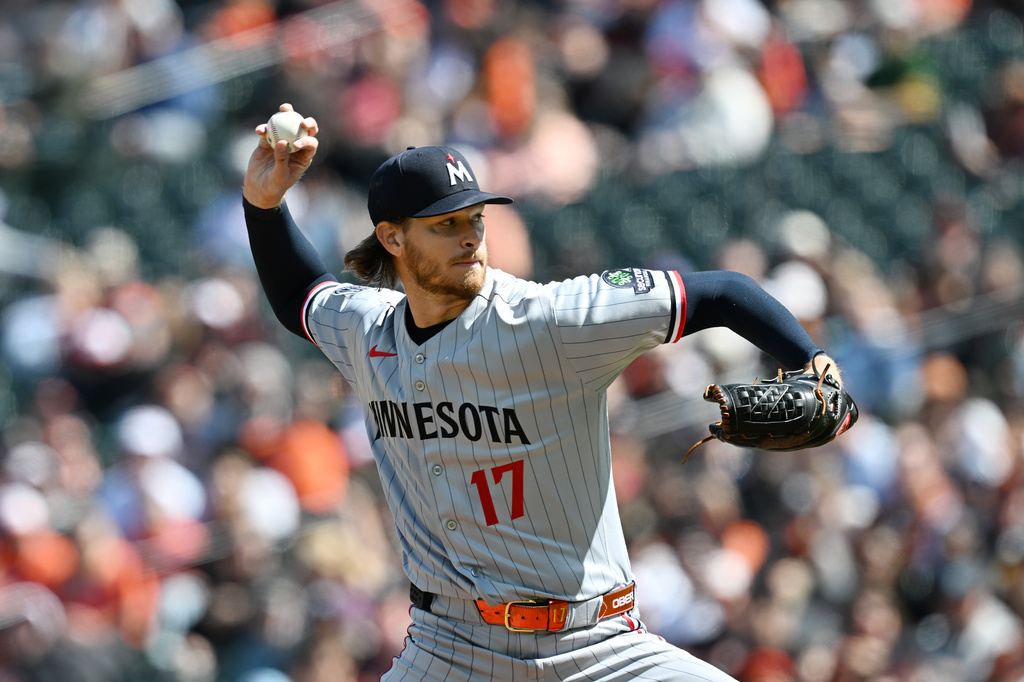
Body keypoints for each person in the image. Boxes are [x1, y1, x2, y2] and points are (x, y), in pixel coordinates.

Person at [242, 103, 844, 681]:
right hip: (448, 648)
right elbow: (302, 298)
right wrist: (263, 206)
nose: (470, 237)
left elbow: (720, 292)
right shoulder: (368, 329)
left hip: (595, 644)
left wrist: (812, 361)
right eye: (445, 224)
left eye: (474, 217)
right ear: (393, 239)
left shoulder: (549, 321)